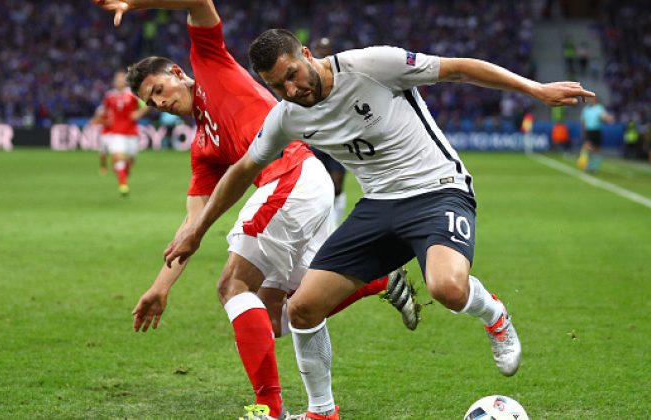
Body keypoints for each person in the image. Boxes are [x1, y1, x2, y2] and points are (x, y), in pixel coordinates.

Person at [162, 28, 595, 419]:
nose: (292, 89)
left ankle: (495, 315)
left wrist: (534, 89)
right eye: (278, 86)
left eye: (293, 74)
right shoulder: (287, 115)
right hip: (379, 206)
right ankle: (321, 413)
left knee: (447, 288)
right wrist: (194, 231)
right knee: (304, 307)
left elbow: (459, 70)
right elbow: (239, 171)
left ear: (307, 54)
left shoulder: (371, 65)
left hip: (437, 189)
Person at [91, 2, 419, 419]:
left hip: (291, 176)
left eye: (158, 90)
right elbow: (192, 226)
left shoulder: (209, 63)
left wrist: (134, 4)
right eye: (152, 103)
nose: (160, 102)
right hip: (302, 184)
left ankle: (268, 409)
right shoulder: (203, 150)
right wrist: (161, 286)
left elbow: (199, 3)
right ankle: (377, 281)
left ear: (176, 73)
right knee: (274, 316)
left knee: (232, 285)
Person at [308, 37, 347, 226]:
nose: (323, 52)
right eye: (319, 48)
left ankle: (333, 224)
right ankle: (320, 225)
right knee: (318, 185)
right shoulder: (308, 77)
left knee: (337, 186)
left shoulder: (341, 76)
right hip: (318, 140)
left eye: (326, 49)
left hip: (340, 140)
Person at [91, 70, 148, 194]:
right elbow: (103, 110)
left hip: (131, 133)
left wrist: (138, 113)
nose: (120, 81)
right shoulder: (109, 96)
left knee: (131, 159)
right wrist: (96, 120)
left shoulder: (133, 94)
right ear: (114, 81)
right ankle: (123, 185)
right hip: (116, 133)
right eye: (118, 79)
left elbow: (146, 105)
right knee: (117, 157)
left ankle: (124, 171)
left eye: (122, 79)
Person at [577, 100, 614, 173]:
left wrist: (608, 118)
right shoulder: (586, 109)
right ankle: (586, 164)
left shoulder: (599, 108)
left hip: (597, 130)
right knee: (587, 147)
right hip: (589, 130)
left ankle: (594, 167)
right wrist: (583, 131)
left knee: (596, 149)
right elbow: (583, 121)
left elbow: (603, 116)